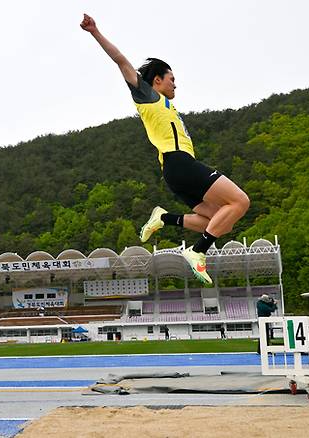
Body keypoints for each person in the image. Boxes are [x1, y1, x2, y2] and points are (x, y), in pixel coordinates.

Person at [80, 14, 250, 284]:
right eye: (171, 78)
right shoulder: (148, 96)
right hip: (179, 163)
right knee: (240, 201)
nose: (175, 83)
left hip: (175, 171)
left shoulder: (168, 106)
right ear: (157, 80)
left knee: (217, 222)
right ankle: (198, 251)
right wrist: (95, 32)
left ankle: (164, 218)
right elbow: (121, 60)